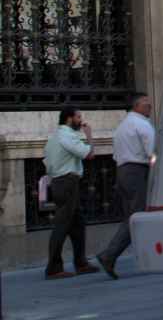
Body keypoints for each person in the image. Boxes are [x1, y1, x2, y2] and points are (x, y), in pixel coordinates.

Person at [97, 93, 155, 280]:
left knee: (131, 216)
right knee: (136, 217)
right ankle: (109, 255)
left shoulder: (122, 126)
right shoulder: (143, 125)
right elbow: (152, 154)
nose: (150, 107)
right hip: (137, 171)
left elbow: (116, 155)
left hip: (122, 171)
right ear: (136, 105)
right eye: (146, 104)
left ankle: (144, 255)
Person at [42, 106, 100, 279]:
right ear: (69, 118)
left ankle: (81, 263)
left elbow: (46, 159)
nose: (81, 121)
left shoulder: (54, 137)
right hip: (67, 182)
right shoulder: (66, 135)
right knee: (62, 225)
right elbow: (89, 154)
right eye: (78, 117)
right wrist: (89, 134)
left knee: (77, 224)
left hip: (61, 182)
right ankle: (53, 268)